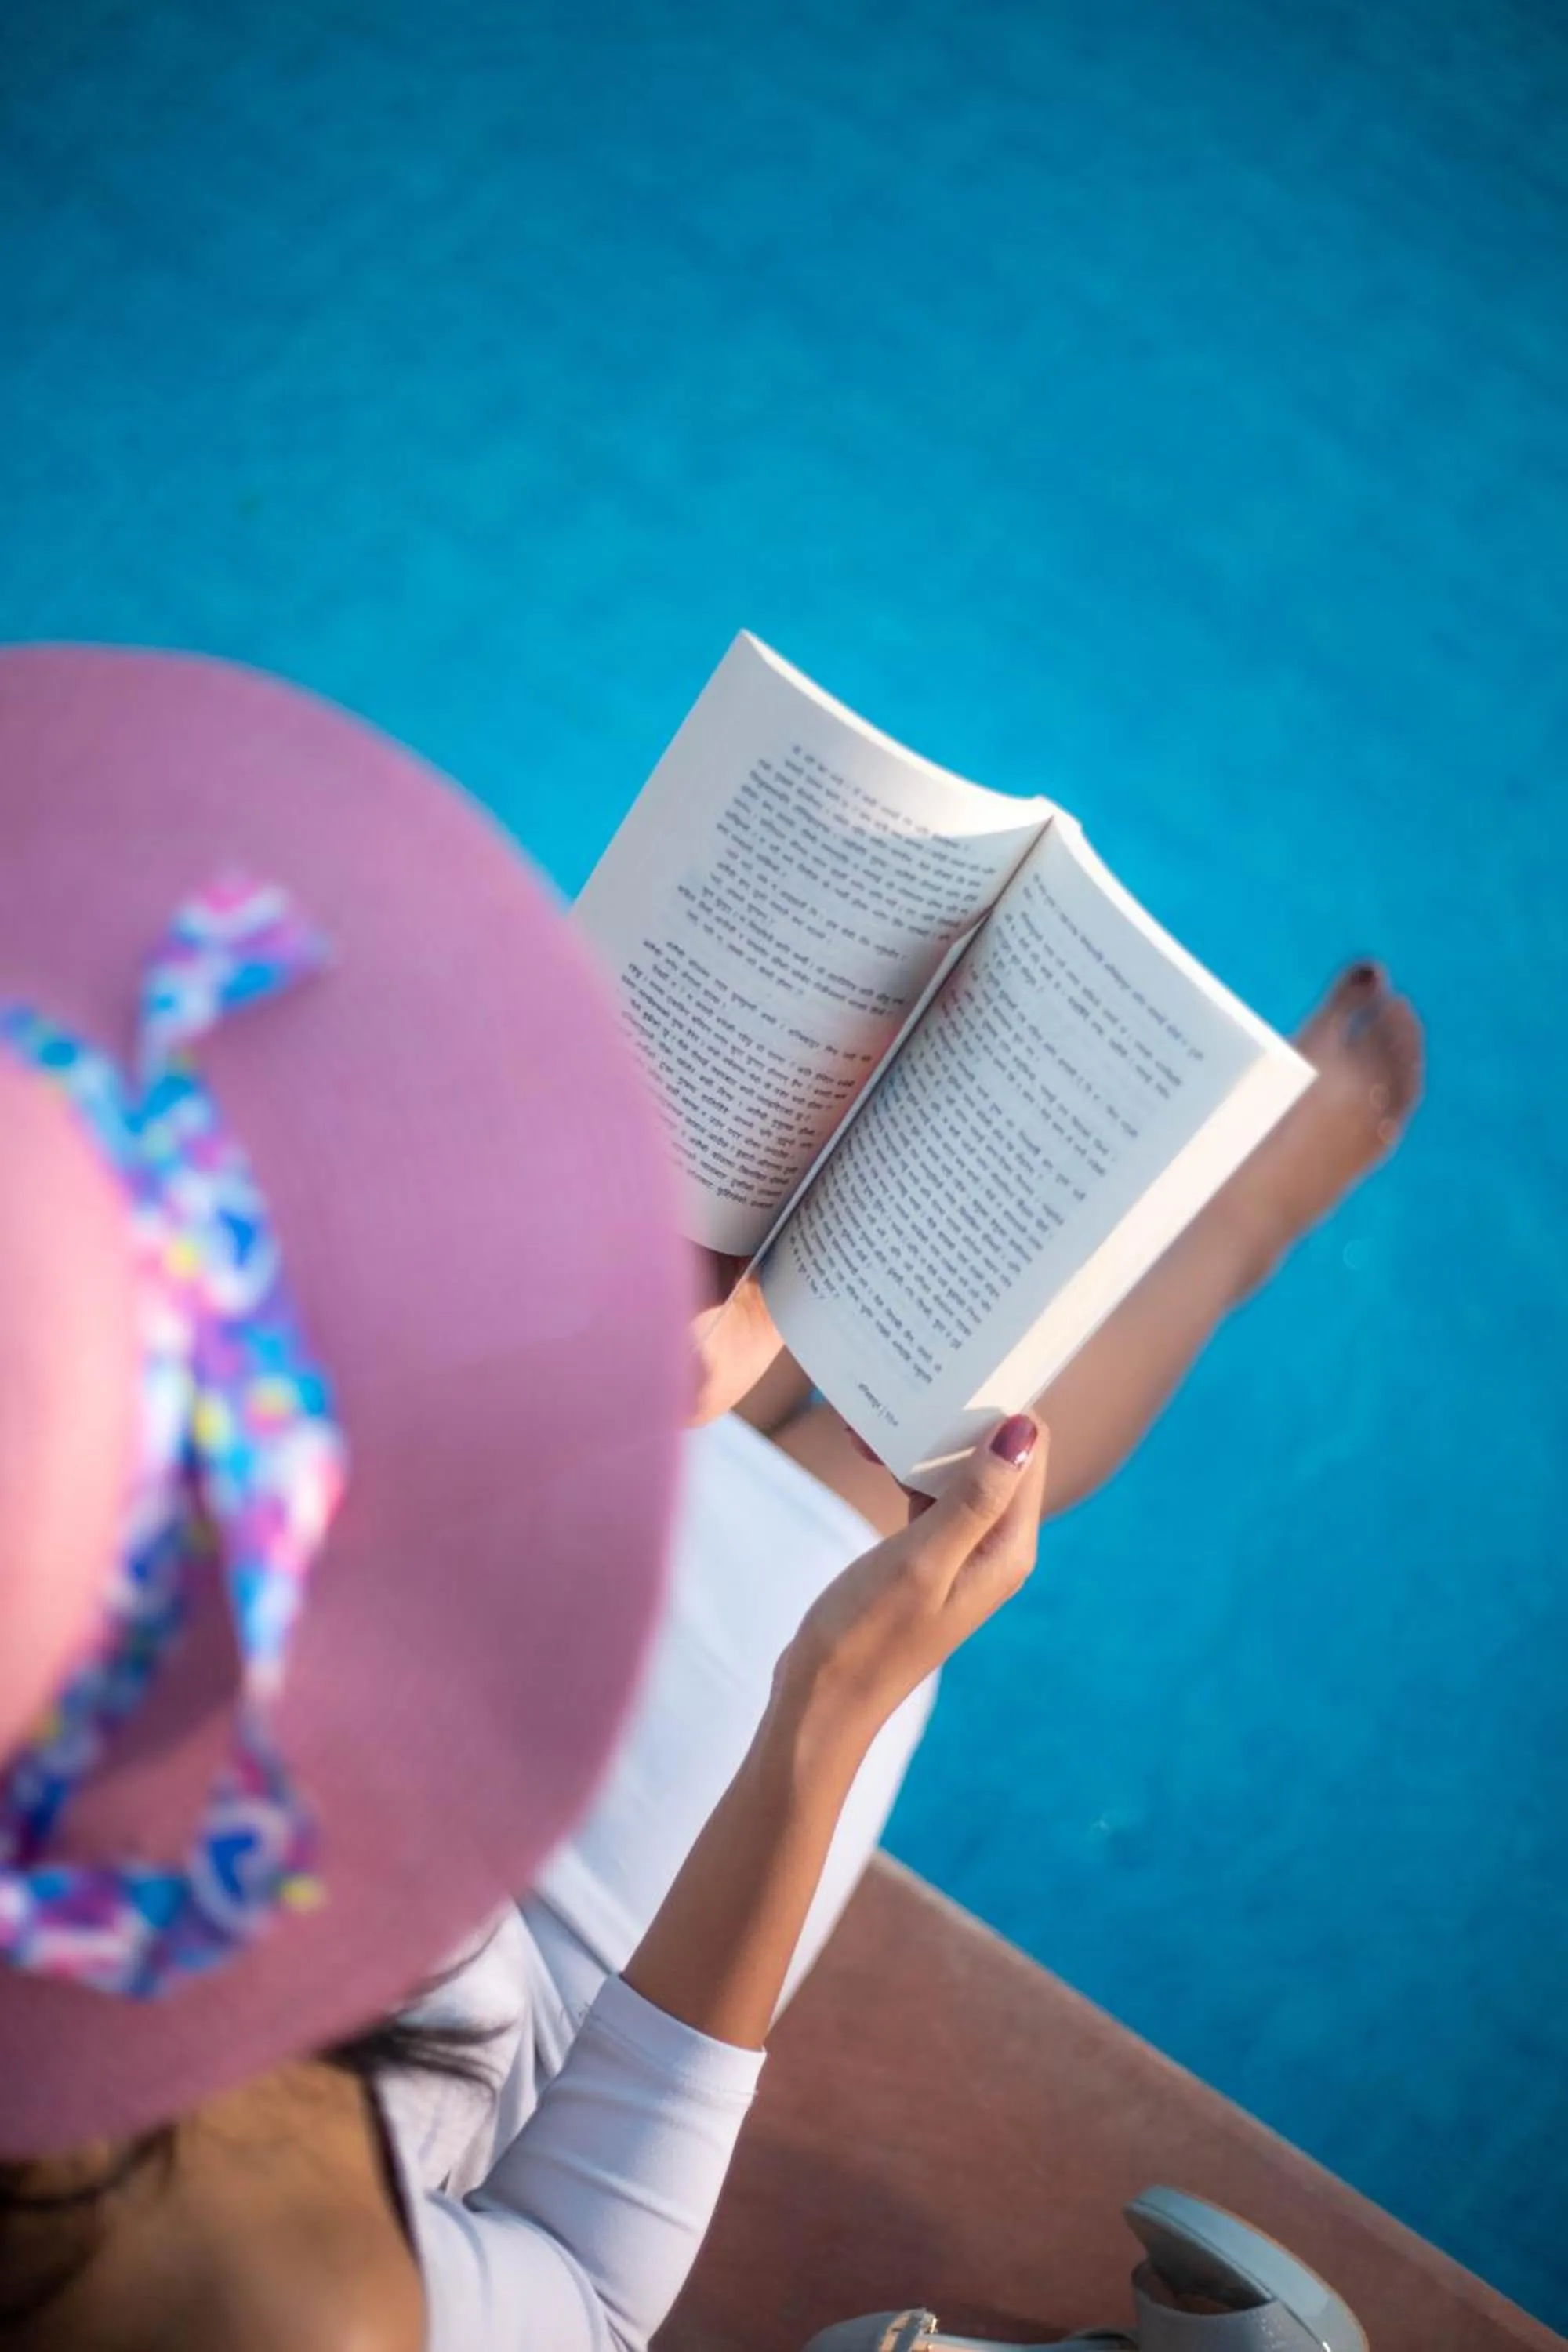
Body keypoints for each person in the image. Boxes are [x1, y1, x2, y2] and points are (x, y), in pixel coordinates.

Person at [0, 645, 1422, 2352]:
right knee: (885, 1485)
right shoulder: (213, 2285)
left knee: (705, 1354)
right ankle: (1231, 1223)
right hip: (549, 1960)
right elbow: (589, 2293)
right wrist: (828, 1708)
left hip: (372, 1757)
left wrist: (529, 1405)